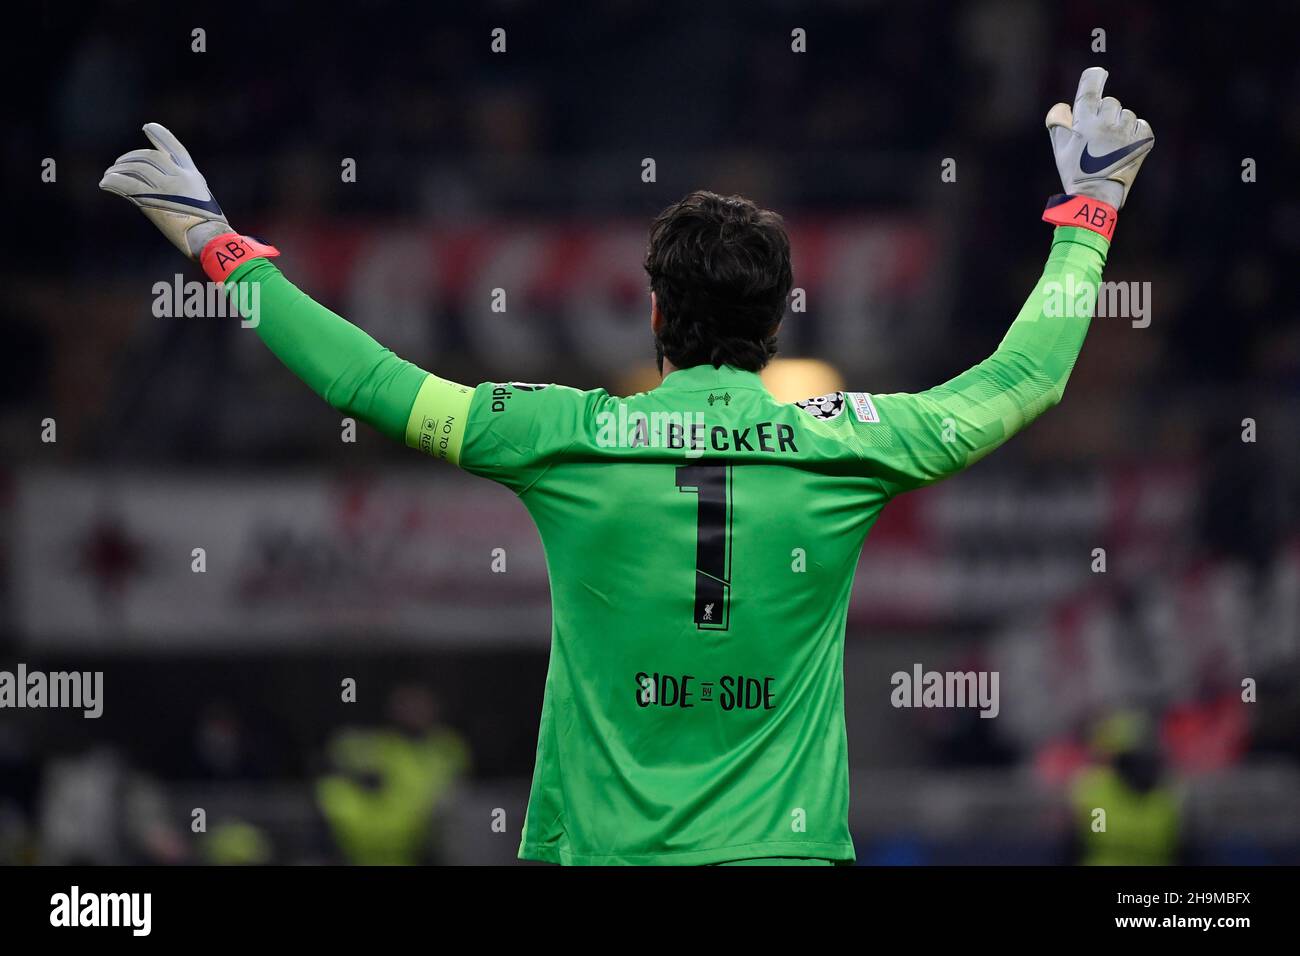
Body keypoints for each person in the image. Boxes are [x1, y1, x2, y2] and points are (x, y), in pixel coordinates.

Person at [99, 68, 1152, 865]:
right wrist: (1087, 219)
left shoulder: (568, 434)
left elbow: (364, 380)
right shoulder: (849, 438)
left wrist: (216, 243)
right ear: (782, 318)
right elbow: (1024, 379)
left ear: (652, 313)